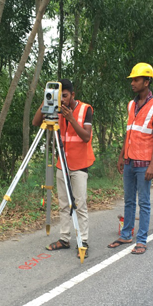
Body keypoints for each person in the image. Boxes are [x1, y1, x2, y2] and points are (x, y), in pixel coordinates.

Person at [32, 79, 95, 257]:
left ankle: (83, 241)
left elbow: (86, 136)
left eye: (65, 96)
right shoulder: (56, 108)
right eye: (60, 97)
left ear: (72, 95)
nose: (63, 101)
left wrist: (71, 119)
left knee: (80, 204)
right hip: (62, 164)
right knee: (63, 205)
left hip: (80, 165)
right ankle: (64, 239)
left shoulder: (85, 109)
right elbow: (36, 122)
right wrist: (47, 101)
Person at [108, 63, 153, 254]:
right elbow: (129, 132)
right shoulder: (131, 104)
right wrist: (121, 155)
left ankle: (141, 240)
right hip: (129, 161)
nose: (133, 83)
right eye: (132, 80)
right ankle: (126, 235)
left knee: (144, 202)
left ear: (147, 81)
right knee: (129, 201)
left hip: (144, 164)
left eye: (136, 79)